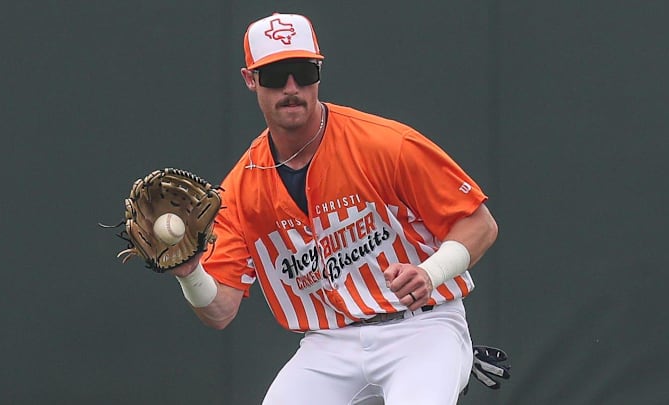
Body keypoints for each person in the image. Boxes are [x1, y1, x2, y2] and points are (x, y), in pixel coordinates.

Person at [170, 13, 498, 405]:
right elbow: (220, 311)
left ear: (319, 72)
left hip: (423, 327)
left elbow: (479, 224)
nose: (292, 87)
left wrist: (430, 272)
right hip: (328, 342)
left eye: (303, 71)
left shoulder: (384, 144)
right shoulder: (240, 191)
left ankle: (453, 359)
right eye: (275, 75)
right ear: (250, 79)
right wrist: (190, 273)